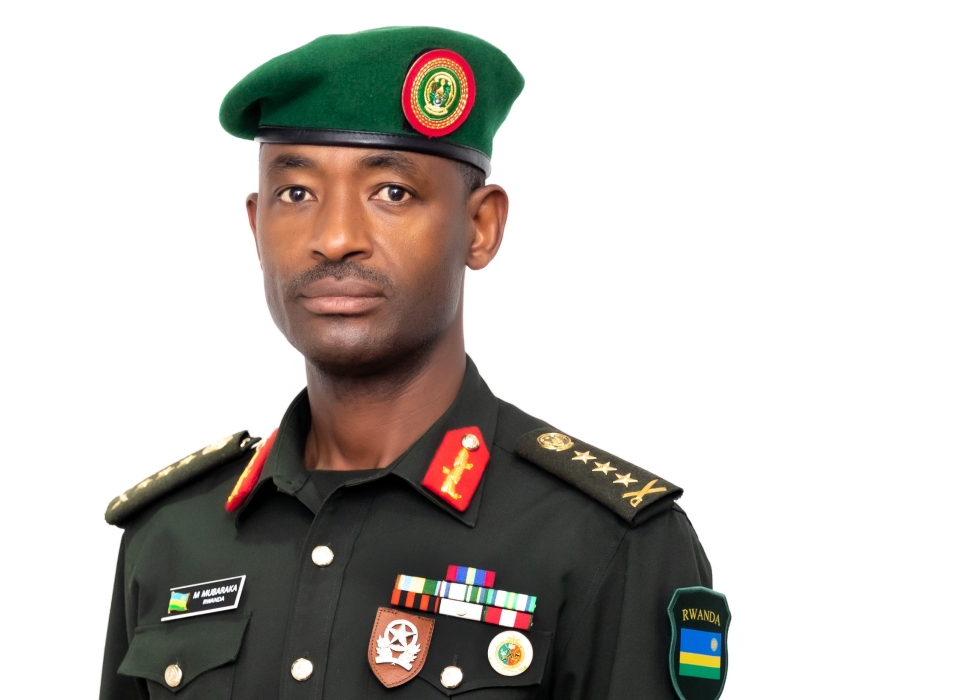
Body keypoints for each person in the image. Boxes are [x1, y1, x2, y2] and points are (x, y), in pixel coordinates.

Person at [100, 26, 727, 700]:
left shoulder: (606, 544)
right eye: (297, 194)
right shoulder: (172, 535)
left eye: (391, 192)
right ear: (256, 227)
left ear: (480, 227)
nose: (335, 238)